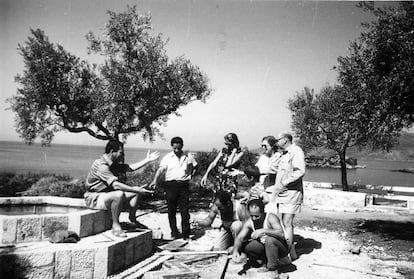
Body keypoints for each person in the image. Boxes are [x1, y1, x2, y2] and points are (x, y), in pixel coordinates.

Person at [84, 140, 160, 238]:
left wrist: (148, 160)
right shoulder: (101, 165)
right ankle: (115, 226)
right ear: (112, 152)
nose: (123, 155)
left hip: (105, 196)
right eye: (121, 153)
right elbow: (115, 185)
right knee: (119, 194)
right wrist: (137, 189)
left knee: (135, 192)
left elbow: (130, 168)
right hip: (94, 198)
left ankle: (132, 219)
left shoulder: (113, 164)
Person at [150, 137, 197, 240]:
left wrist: (191, 175)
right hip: (170, 185)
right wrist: (155, 181)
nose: (176, 149)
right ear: (172, 146)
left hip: (183, 185)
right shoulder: (167, 157)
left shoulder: (188, 156)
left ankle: (186, 234)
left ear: (181, 146)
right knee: (171, 211)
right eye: (174, 147)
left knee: (185, 211)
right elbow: (161, 170)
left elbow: (195, 166)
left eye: (178, 147)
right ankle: (174, 233)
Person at [232, 199, 290, 277]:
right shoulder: (250, 222)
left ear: (263, 213)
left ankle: (272, 268)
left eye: (257, 216)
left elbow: (281, 234)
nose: (254, 218)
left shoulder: (271, 217)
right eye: (252, 216)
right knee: (247, 246)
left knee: (270, 240)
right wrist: (235, 251)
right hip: (267, 248)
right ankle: (264, 262)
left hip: (281, 249)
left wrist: (264, 230)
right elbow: (239, 238)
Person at [271, 132, 306, 260]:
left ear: (285, 140)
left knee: (287, 222)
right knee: (283, 221)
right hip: (283, 193)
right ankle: (290, 251)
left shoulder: (296, 151)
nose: (276, 142)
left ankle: (288, 253)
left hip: (291, 192)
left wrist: (284, 183)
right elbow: (273, 168)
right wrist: (276, 154)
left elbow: (300, 171)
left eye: (278, 139)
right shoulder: (284, 153)